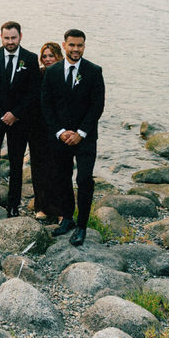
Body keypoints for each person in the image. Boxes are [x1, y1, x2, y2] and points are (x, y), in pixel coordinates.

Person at [40, 29, 105, 246]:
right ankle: (66, 218)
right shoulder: (53, 72)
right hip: (60, 137)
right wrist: (60, 131)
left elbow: (97, 106)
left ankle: (82, 225)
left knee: (84, 180)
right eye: (72, 45)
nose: (76, 49)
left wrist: (81, 133)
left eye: (80, 45)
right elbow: (46, 105)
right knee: (62, 177)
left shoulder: (94, 71)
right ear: (64, 45)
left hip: (85, 138)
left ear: (84, 46)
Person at [0, 21, 41, 217]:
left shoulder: (30, 59)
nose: (10, 41)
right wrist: (1, 113)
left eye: (13, 38)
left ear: (20, 36)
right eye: (6, 38)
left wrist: (15, 113)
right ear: (1, 37)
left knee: (16, 162)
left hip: (19, 120)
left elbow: (33, 91)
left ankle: (13, 204)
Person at [31, 41, 64, 220]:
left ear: (58, 56)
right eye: (44, 56)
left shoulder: (64, 74)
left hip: (59, 129)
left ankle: (60, 210)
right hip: (38, 128)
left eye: (51, 55)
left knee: (57, 169)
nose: (48, 59)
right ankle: (42, 207)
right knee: (39, 168)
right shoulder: (39, 74)